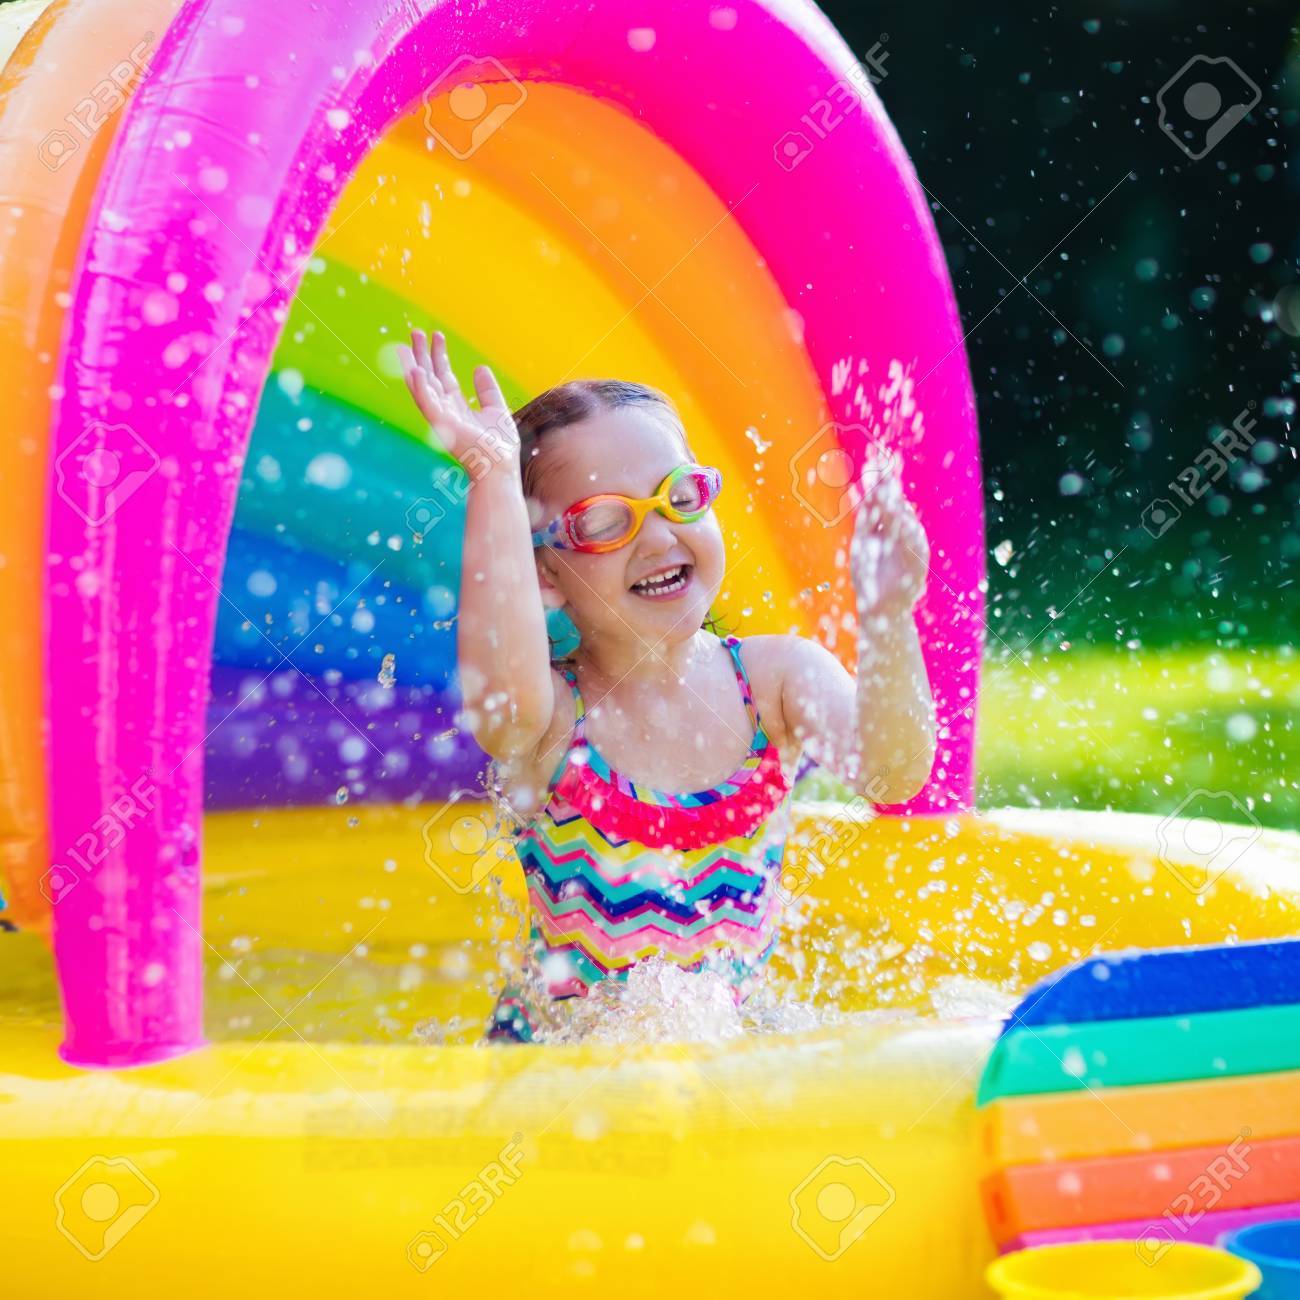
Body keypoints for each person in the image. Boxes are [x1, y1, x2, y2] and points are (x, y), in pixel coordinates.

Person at [397, 329, 936, 1042]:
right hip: (559, 1084)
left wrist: (892, 620)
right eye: (605, 523)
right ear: (548, 576)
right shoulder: (552, 720)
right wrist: (494, 477)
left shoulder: (773, 683)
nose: (657, 540)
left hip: (726, 1063)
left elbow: (893, 775)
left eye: (678, 497)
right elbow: (499, 695)